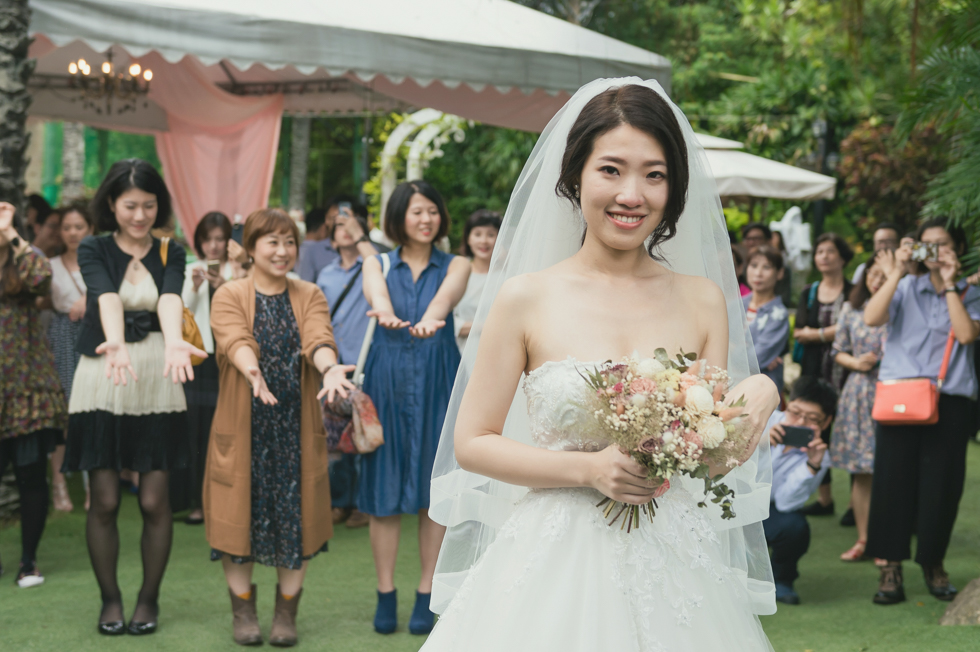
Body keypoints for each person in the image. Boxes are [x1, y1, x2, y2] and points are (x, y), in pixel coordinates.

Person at [422, 80, 779, 651]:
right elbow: (473, 443)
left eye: (654, 174)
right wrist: (588, 470)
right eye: (611, 170)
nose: (631, 194)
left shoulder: (703, 300)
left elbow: (713, 459)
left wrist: (760, 391)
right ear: (575, 176)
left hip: (675, 563)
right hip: (553, 563)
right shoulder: (525, 297)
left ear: (674, 187)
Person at [62, 159, 207, 635]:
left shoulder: (171, 250)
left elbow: (169, 298)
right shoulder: (94, 247)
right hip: (105, 369)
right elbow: (105, 296)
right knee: (104, 501)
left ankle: (148, 600)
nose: (140, 215)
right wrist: (117, 342)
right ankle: (110, 601)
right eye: (130, 206)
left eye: (149, 205)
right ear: (111, 204)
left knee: (153, 501)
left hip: (159, 373)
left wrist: (174, 342)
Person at [205, 208, 353, 647]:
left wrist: (329, 368)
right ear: (250, 248)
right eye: (272, 241)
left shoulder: (309, 293)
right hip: (243, 428)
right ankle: (243, 612)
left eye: (290, 242)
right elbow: (235, 339)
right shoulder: (229, 294)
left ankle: (286, 615)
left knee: (296, 522)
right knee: (237, 522)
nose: (282, 251)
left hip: (294, 428)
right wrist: (252, 371)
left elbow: (319, 339)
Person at [359, 180, 471, 636]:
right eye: (416, 211)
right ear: (399, 217)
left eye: (432, 211)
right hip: (386, 378)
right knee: (383, 494)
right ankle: (385, 593)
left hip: (437, 377)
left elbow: (445, 299)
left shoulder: (457, 263)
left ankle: (427, 593)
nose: (426, 219)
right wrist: (385, 313)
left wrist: (429, 319)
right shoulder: (378, 262)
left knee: (434, 490)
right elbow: (378, 296)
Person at [863, 218, 980, 605]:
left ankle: (933, 563)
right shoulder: (904, 285)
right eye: (926, 244)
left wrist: (950, 284)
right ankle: (889, 567)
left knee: (942, 487)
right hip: (900, 396)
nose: (934, 251)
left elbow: (966, 334)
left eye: (942, 244)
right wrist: (897, 271)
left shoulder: (970, 292)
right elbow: (871, 318)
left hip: (949, 400)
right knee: (891, 484)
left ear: (957, 248)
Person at [0, 200, 67, 587]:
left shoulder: (26, 257)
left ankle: (28, 561)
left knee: (30, 476)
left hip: (26, 386)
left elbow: (41, 279)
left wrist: (11, 234)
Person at [171, 212, 244, 524]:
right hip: (198, 359)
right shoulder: (191, 269)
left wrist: (226, 285)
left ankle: (224, 502)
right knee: (194, 433)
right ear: (199, 241)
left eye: (219, 239)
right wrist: (196, 286)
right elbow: (177, 312)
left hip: (228, 360)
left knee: (225, 431)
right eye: (207, 239)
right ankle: (195, 502)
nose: (213, 245)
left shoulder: (239, 272)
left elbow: (246, 309)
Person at [315, 208, 380, 529]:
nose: (344, 230)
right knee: (336, 435)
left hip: (366, 360)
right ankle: (340, 502)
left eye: (350, 225)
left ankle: (363, 504)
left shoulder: (372, 264)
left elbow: (381, 268)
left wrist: (360, 234)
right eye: (338, 226)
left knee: (364, 432)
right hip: (334, 364)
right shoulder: (325, 275)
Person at [830, 262, 888, 562]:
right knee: (862, 471)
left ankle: (888, 544)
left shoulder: (900, 307)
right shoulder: (851, 309)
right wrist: (856, 363)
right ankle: (864, 540)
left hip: (893, 390)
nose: (877, 279)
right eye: (873, 273)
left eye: (884, 274)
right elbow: (838, 349)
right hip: (859, 391)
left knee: (890, 470)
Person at [793, 232, 853, 516]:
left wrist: (816, 334)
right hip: (814, 373)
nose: (824, 256)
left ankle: (855, 504)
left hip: (847, 374)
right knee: (817, 433)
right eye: (820, 252)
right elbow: (799, 332)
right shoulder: (809, 292)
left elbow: (855, 327)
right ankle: (825, 499)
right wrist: (833, 332)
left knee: (851, 434)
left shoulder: (855, 290)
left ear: (843, 257)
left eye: (830, 251)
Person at [763, 377, 834, 605]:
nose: (800, 422)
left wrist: (811, 465)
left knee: (795, 527)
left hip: (772, 510)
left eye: (812, 419)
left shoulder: (820, 456)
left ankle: (782, 579)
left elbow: (786, 503)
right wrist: (760, 444)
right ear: (786, 404)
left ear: (826, 422)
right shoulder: (763, 422)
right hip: (737, 501)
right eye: (795, 413)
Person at [46, 202, 95, 513]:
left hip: (93, 334)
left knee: (90, 412)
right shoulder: (48, 264)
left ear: (90, 228)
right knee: (62, 414)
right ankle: (59, 484)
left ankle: (93, 487)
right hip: (62, 336)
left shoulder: (99, 261)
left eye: (79, 227)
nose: (73, 233)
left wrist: (88, 297)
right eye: (67, 227)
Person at [743, 246, 789, 397]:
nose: (758, 273)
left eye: (767, 267)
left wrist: (732, 349)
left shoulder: (778, 314)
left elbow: (756, 358)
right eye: (754, 265)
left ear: (779, 273)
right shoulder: (735, 305)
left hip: (759, 392)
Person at [454, 209, 501, 351]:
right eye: (477, 234)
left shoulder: (507, 277)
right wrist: (482, 326)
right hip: (461, 352)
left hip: (498, 349)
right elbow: (448, 320)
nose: (483, 241)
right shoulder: (456, 274)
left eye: (491, 235)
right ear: (468, 238)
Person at [296, 199, 349, 282]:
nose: (340, 222)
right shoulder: (313, 251)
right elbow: (306, 284)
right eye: (334, 218)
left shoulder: (362, 248)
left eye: (346, 218)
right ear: (326, 220)